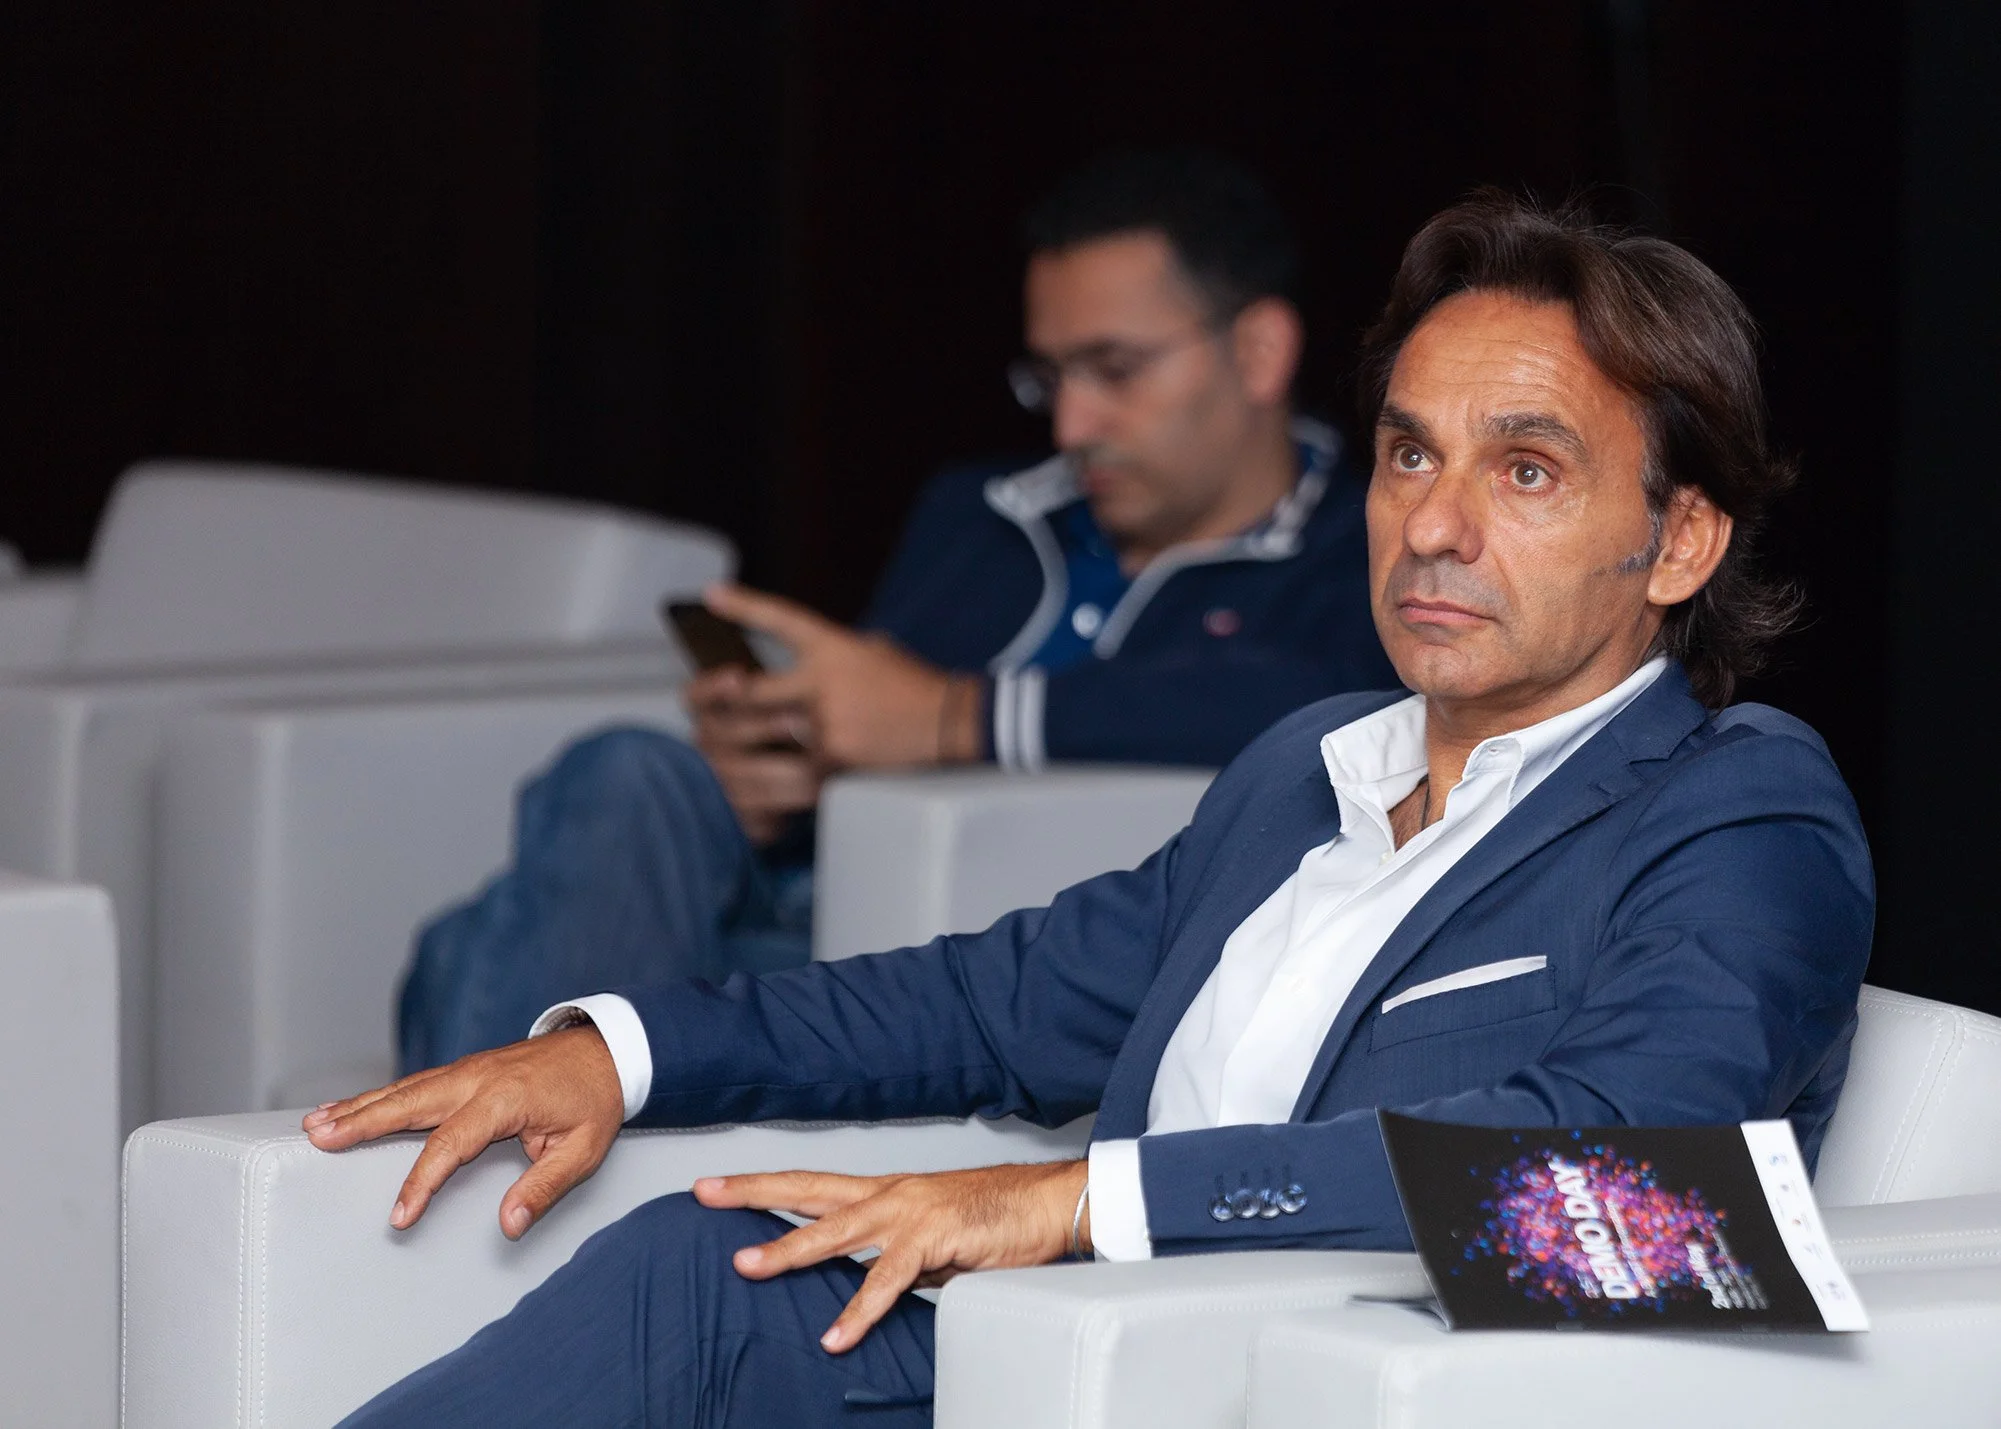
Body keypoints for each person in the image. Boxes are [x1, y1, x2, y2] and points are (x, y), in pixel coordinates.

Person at [312, 191, 1872, 1427]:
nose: (1436, 525)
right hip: (1057, 1359)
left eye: (1525, 472)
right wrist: (618, 1049)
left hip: (1298, 1380)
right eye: (1409, 454)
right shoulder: (1314, 767)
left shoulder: (1741, 806)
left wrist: (1068, 1202)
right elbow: (995, 999)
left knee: (703, 1295)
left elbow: (1609, 1168)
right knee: (701, 1260)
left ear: (1676, 545)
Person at [395, 148, 1395, 1071]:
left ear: (1259, 351)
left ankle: (465, 1049)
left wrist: (952, 716)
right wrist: (784, 763)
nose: (1071, 422)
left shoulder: (1364, 550)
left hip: (985, 974)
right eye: (1051, 376)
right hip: (802, 909)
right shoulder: (982, 510)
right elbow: (871, 734)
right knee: (632, 774)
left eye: (1116, 370)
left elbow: (1332, 710)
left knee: (472, 949)